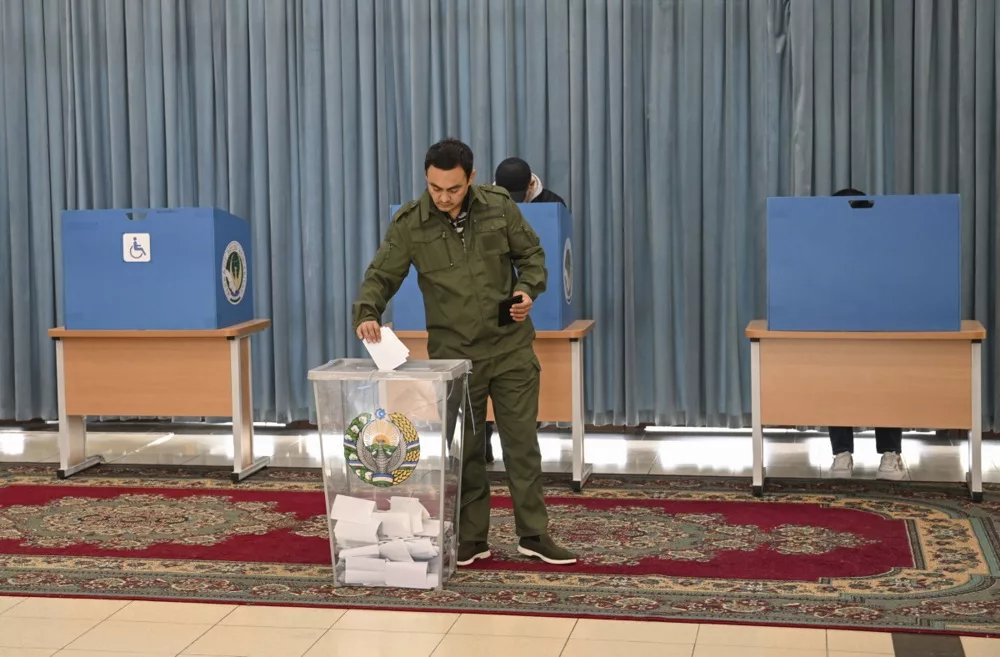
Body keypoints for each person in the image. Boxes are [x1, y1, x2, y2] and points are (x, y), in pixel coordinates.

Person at [353, 138, 577, 567]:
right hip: (456, 356)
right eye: (435, 187)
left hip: (510, 348)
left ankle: (533, 534)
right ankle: (473, 538)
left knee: (522, 445)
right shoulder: (411, 223)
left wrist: (527, 290)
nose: (443, 197)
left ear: (471, 178)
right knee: (467, 450)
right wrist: (367, 312)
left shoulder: (498, 206)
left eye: (453, 188)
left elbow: (532, 255)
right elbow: (381, 274)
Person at [481, 158, 568, 463]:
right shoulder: (483, 202)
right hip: (493, 306)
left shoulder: (553, 203)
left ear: (531, 184)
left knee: (524, 389)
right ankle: (483, 444)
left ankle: (523, 449)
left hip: (540, 306)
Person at [827, 187, 905, 481]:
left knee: (885, 383)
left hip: (880, 326)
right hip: (838, 327)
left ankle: (890, 453)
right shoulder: (825, 246)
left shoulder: (883, 245)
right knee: (838, 383)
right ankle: (842, 453)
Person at [494, 157, 567, 206]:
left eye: (517, 199)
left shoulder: (552, 203)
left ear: (531, 185)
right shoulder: (488, 202)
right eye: (504, 197)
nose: (512, 203)